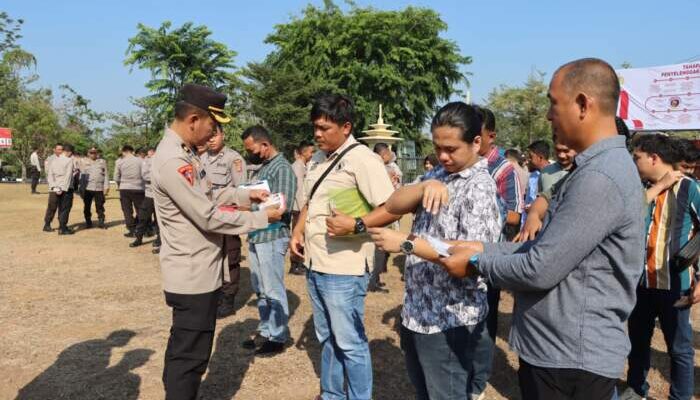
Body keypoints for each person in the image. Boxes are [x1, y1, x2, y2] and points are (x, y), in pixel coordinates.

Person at [440, 58, 645, 400]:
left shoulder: (599, 178)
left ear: (582, 104)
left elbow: (539, 268)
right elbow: (540, 247)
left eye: (553, 103)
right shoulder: (592, 169)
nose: (549, 115)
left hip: (569, 360)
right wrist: (479, 247)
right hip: (558, 352)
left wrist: (476, 263)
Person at [152, 83, 283, 400]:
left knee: (186, 349)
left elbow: (207, 193)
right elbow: (208, 215)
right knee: (190, 358)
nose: (212, 134)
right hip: (192, 274)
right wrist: (260, 218)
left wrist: (245, 194)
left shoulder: (183, 154)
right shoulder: (174, 161)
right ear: (194, 119)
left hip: (198, 270)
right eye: (212, 126)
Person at [368, 101, 502, 400]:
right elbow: (394, 202)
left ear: (477, 142)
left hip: (450, 319)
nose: (443, 156)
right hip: (418, 313)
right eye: (437, 147)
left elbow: (469, 261)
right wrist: (423, 187)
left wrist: (407, 244)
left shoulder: (478, 187)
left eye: (451, 149)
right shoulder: (439, 174)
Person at [289, 94, 399, 400]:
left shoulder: (363, 160)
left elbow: (392, 207)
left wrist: (357, 225)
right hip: (316, 263)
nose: (318, 134)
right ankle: (332, 394)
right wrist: (297, 230)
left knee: (349, 342)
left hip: (345, 269)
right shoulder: (318, 158)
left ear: (346, 126)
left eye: (325, 127)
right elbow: (312, 201)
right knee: (327, 338)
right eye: (315, 127)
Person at [619, 134, 698, 400]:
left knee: (679, 347)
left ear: (654, 158)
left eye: (637, 157)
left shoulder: (689, 188)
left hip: (675, 284)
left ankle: (680, 396)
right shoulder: (639, 187)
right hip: (639, 282)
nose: (634, 161)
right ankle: (636, 387)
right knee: (638, 340)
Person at [468, 106, 524, 399]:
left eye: (477, 135)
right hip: (460, 254)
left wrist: (480, 213)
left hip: (487, 257)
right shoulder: (463, 163)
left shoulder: (504, 169)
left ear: (490, 135)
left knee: (484, 319)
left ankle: (477, 382)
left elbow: (515, 216)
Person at [241, 125, 297, 356]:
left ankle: (278, 335)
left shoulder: (282, 168)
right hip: (258, 234)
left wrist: (248, 207)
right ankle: (266, 329)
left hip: (272, 236)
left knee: (273, 288)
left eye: (251, 148)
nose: (250, 153)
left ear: (264, 145)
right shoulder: (264, 167)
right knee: (261, 288)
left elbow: (281, 206)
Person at [200, 126, 247, 317]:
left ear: (223, 135)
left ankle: (228, 298)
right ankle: (213, 294)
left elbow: (242, 192)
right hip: (206, 217)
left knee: (230, 259)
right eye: (208, 136)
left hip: (226, 218)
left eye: (215, 135)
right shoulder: (200, 158)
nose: (211, 139)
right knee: (210, 258)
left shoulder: (233, 159)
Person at [516, 133, 577, 241]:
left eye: (566, 151)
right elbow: (541, 199)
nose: (562, 155)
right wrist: (534, 212)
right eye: (558, 150)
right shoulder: (545, 173)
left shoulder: (581, 172)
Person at [370, 142, 402, 293]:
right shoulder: (378, 169)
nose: (391, 156)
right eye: (389, 153)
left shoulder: (372, 166)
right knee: (377, 249)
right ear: (384, 154)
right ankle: (372, 281)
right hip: (378, 214)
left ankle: (374, 279)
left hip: (374, 215)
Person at [290, 141, 314, 275]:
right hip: (298, 207)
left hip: (301, 207)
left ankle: (299, 263)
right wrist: (302, 210)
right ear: (304, 152)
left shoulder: (303, 166)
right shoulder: (298, 167)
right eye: (311, 151)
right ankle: (295, 265)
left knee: (302, 236)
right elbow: (299, 190)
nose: (312, 154)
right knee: (298, 235)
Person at [130, 147, 160, 248]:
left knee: (159, 219)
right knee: (143, 217)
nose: (151, 154)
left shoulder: (163, 159)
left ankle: (159, 239)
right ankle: (138, 238)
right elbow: (145, 175)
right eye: (150, 152)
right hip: (149, 195)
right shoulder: (146, 161)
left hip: (161, 195)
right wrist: (158, 178)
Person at [114, 145, 145, 238]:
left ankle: (131, 230)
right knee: (140, 210)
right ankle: (141, 229)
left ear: (123, 152)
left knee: (127, 210)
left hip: (124, 188)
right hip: (138, 188)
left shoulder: (119, 161)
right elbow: (145, 173)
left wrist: (120, 184)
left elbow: (116, 177)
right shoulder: (140, 160)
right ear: (133, 151)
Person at [48, 144, 76, 235]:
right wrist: (63, 189)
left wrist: (54, 187)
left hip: (55, 187)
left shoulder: (54, 160)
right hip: (66, 188)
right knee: (65, 208)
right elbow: (68, 176)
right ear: (70, 152)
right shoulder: (69, 161)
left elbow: (50, 175)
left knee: (59, 207)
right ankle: (63, 228)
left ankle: (61, 226)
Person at [80, 147, 110, 229]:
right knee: (87, 206)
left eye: (95, 152)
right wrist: (81, 189)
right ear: (88, 153)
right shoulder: (83, 162)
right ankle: (88, 221)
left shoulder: (102, 161)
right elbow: (82, 176)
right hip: (88, 188)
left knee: (100, 206)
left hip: (99, 188)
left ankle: (101, 221)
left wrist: (106, 186)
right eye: (91, 152)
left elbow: (106, 174)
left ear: (97, 153)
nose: (93, 154)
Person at [522, 140, 550, 223]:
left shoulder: (552, 176)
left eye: (531, 157)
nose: (528, 160)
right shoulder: (533, 175)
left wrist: (534, 210)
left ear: (540, 158)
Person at [43, 143, 64, 232]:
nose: (60, 151)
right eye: (58, 149)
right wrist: (55, 187)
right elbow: (48, 173)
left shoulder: (65, 159)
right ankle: (47, 224)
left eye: (61, 149)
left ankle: (62, 224)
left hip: (63, 186)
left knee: (62, 206)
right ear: (54, 150)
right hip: (54, 186)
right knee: (52, 205)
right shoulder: (50, 159)